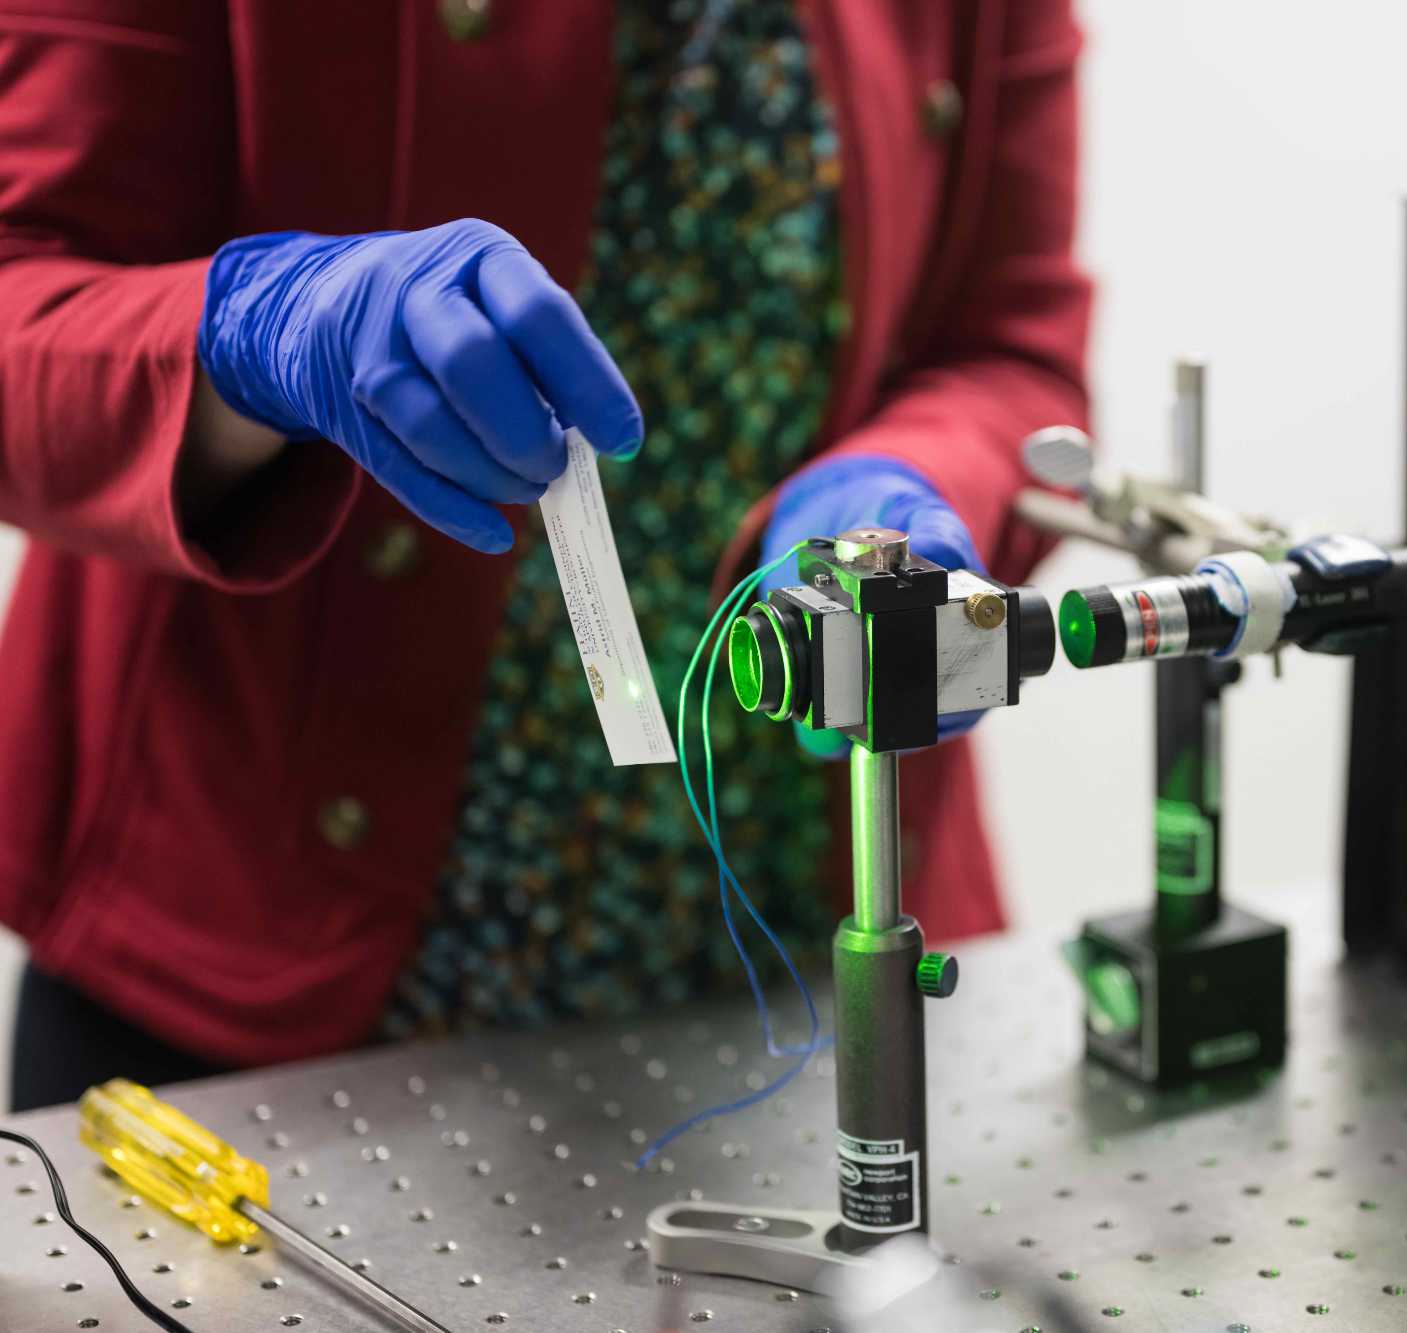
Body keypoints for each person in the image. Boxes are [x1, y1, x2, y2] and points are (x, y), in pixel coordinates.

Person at [0, 0, 1089, 1111]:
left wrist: (916, 482)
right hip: (257, 959)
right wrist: (254, 326)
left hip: (800, 954)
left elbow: (1011, 343)